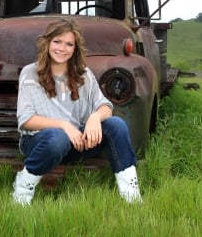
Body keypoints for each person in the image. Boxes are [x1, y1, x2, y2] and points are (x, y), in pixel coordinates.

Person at [12, 18, 142, 205]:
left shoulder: (83, 74)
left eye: (69, 44)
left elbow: (105, 106)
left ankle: (131, 195)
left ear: (75, 49)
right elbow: (25, 120)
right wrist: (64, 126)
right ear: (47, 42)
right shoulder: (30, 73)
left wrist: (95, 118)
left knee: (116, 125)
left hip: (77, 143)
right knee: (58, 138)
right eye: (57, 41)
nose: (62, 48)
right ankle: (22, 189)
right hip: (40, 143)